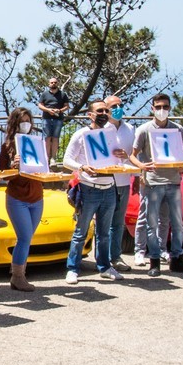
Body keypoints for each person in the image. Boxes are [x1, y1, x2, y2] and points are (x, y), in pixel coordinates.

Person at [131, 93, 183, 277]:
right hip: (153, 183)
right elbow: (133, 154)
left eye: (165, 107)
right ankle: (154, 260)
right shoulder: (144, 130)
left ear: (170, 108)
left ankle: (176, 259)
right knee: (151, 223)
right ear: (152, 108)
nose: (162, 110)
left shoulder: (178, 129)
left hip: (173, 181)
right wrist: (142, 167)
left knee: (177, 224)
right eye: (158, 107)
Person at [62, 99, 122, 283]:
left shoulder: (111, 133)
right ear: (90, 114)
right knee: (81, 231)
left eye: (106, 110)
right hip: (89, 189)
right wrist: (82, 167)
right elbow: (66, 160)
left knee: (104, 233)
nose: (104, 114)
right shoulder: (81, 134)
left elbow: (115, 156)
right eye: (99, 111)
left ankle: (104, 266)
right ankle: (73, 268)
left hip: (109, 188)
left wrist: (122, 157)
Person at [0, 107, 43, 291]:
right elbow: (4, 175)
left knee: (27, 238)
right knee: (24, 237)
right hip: (17, 198)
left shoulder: (36, 143)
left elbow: (42, 168)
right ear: (15, 123)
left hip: (36, 197)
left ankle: (18, 272)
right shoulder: (7, 146)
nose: (26, 124)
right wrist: (14, 166)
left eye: (28, 120)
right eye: (22, 120)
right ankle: (18, 276)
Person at [103, 94, 136, 273]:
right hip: (106, 181)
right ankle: (103, 259)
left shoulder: (129, 128)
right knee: (105, 223)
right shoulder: (101, 128)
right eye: (114, 106)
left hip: (124, 181)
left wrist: (136, 175)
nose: (118, 108)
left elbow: (134, 154)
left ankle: (115, 257)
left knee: (118, 223)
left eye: (120, 105)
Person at [36, 76, 71, 167]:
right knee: (47, 138)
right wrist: (48, 110)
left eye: (55, 82)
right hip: (46, 118)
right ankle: (46, 157)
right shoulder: (44, 94)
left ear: (57, 83)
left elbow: (67, 106)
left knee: (55, 138)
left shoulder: (63, 94)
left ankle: (53, 158)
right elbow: (40, 105)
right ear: (49, 84)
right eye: (51, 82)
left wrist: (59, 111)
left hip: (58, 119)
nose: (53, 84)